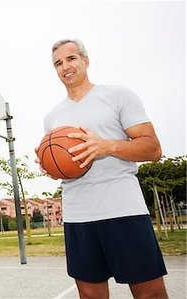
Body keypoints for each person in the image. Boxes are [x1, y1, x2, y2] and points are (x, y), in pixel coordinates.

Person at [35, 39, 168, 299]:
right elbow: (66, 163)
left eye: (71, 58)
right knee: (90, 295)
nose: (66, 67)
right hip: (78, 214)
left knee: (149, 293)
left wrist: (107, 146)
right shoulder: (52, 118)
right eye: (58, 63)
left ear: (86, 60)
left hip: (123, 208)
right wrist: (53, 169)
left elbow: (153, 149)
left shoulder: (118, 95)